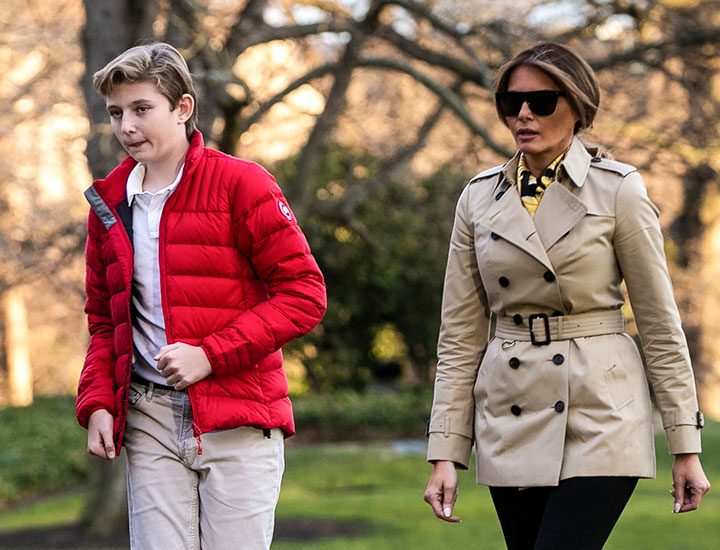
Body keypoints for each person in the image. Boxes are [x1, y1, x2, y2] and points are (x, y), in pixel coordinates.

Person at [423, 42, 710, 549]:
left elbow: (660, 325)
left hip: (602, 411)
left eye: (542, 101)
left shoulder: (619, 190)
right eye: (512, 104)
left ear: (576, 106)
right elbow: (460, 336)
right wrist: (445, 450)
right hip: (510, 410)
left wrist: (685, 444)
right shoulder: (478, 197)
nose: (524, 115)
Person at [76, 42, 326, 550]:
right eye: (116, 112)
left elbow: (304, 294)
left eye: (142, 109)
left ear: (183, 108)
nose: (126, 126)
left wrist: (210, 355)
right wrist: (98, 400)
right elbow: (104, 321)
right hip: (148, 418)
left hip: (238, 417)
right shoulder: (108, 204)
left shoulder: (242, 184)